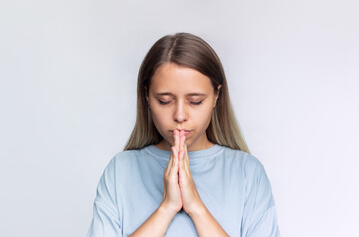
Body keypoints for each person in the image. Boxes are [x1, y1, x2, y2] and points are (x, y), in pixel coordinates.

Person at [86, 33, 280, 237]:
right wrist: (166, 208)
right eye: (164, 101)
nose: (179, 115)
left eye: (195, 101)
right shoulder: (120, 171)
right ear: (147, 97)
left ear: (216, 96)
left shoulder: (249, 173)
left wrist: (196, 207)